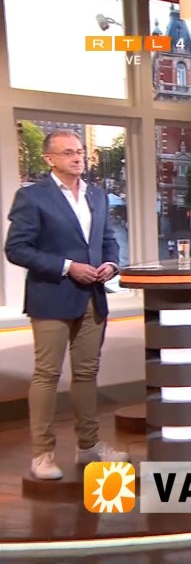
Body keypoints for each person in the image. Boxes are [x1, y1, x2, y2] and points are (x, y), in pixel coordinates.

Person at [4, 130, 129, 481]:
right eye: (68, 152)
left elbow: (108, 240)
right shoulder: (32, 197)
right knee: (47, 375)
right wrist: (67, 267)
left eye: (80, 152)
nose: (77, 158)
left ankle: (88, 445)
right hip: (51, 297)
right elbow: (17, 249)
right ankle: (42, 454)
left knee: (87, 373)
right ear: (50, 159)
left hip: (93, 297)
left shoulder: (97, 195)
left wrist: (111, 264)